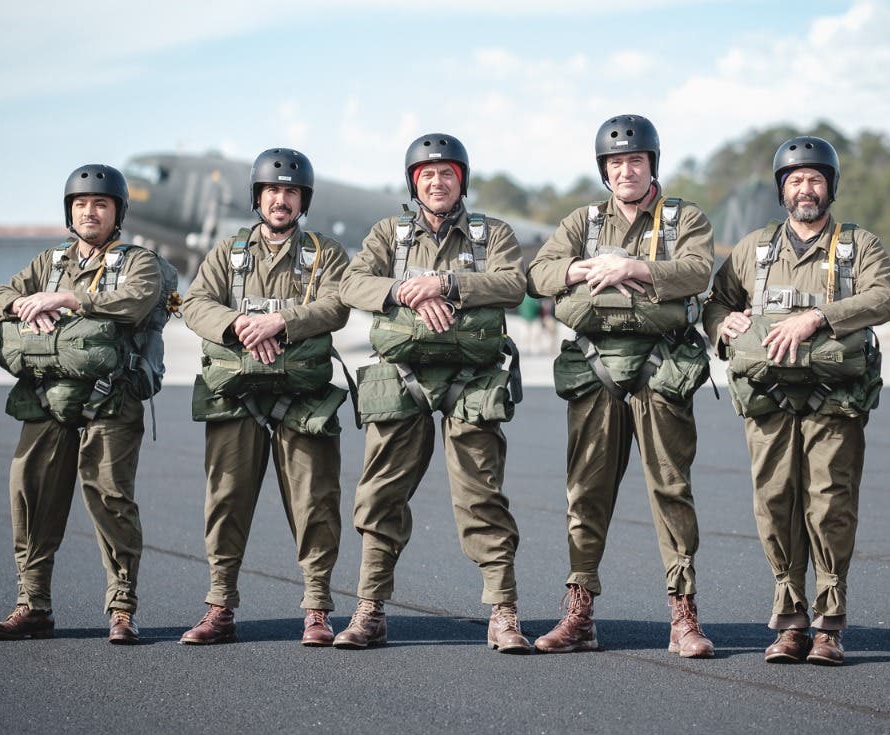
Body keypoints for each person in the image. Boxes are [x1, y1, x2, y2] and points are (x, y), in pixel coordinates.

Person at [526, 114, 717, 657]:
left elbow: (699, 271)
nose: (625, 170)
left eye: (635, 160)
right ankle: (579, 610)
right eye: (615, 163)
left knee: (671, 491)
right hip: (595, 370)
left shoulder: (684, 219)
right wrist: (586, 270)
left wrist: (631, 266)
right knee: (585, 491)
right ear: (603, 171)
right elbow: (538, 274)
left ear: (652, 164)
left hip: (661, 370)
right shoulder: (582, 223)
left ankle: (683, 614)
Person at [703, 136, 890, 664]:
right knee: (774, 503)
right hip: (769, 399)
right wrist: (727, 324)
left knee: (830, 503)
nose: (805, 188)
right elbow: (715, 304)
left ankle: (829, 623)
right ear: (781, 190)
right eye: (795, 180)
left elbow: (884, 298)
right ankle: (790, 620)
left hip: (836, 399)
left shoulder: (859, 246)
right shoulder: (754, 249)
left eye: (814, 179)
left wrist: (818, 317)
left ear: (830, 186)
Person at [335, 133, 531, 652]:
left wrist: (446, 286)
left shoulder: (493, 235)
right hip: (402, 377)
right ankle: (369, 609)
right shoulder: (388, 234)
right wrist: (404, 292)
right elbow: (352, 285)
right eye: (427, 174)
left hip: (473, 379)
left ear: (461, 180)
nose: (438, 182)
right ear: (413, 182)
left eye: (447, 173)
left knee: (480, 497)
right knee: (380, 496)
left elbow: (514, 284)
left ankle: (503, 613)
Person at [0, 164, 162, 645]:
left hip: (111, 400)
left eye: (100, 204)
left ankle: (122, 608)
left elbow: (138, 300)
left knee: (110, 500)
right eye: (81, 204)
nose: (90, 211)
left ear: (117, 212)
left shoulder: (139, 261)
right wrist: (24, 305)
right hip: (46, 399)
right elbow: (1, 295)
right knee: (30, 496)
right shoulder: (49, 259)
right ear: (69, 211)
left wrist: (67, 299)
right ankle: (32, 604)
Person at [178, 148, 351, 647]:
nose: (281, 199)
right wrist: (238, 325)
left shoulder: (326, 253)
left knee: (316, 503)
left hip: (304, 397)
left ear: (303, 200)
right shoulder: (228, 253)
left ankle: (317, 610)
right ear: (258, 197)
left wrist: (281, 322)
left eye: (290, 191)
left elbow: (337, 303)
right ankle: (219, 606)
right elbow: (195, 303)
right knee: (225, 501)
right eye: (272, 190)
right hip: (237, 396)